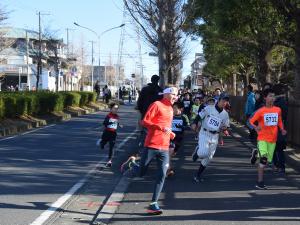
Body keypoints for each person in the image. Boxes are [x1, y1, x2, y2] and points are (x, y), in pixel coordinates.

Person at [122, 87, 178, 215]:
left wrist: (170, 134)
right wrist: (160, 127)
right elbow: (145, 121)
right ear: (166, 94)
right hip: (152, 144)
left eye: (177, 95)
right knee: (141, 173)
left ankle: (153, 203)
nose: (176, 97)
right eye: (174, 94)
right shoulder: (156, 105)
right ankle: (132, 164)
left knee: (162, 174)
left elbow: (166, 127)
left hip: (164, 147)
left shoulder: (170, 108)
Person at [249, 88, 287, 189]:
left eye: (273, 96)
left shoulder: (278, 110)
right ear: (265, 98)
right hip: (262, 139)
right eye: (270, 96)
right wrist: (256, 127)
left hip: (272, 139)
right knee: (264, 160)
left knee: (268, 161)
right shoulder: (261, 111)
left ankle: (256, 153)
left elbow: (279, 121)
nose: (272, 98)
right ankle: (260, 182)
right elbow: (251, 121)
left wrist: (282, 129)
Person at [191, 93, 230, 183]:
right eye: (223, 100)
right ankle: (197, 152)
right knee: (203, 153)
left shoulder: (225, 114)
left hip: (215, 136)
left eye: (226, 101)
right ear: (219, 99)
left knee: (209, 157)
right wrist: (194, 123)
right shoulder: (209, 108)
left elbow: (225, 126)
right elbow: (199, 116)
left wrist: (225, 130)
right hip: (205, 133)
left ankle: (198, 175)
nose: (224, 102)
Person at [167, 101, 188, 177]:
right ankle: (169, 170)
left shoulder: (184, 117)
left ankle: (169, 167)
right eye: (172, 107)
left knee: (171, 154)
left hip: (179, 139)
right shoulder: (170, 116)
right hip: (170, 138)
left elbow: (188, 127)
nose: (173, 109)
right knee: (169, 153)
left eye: (175, 108)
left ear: (181, 109)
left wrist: (181, 127)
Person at [99, 103, 123, 167]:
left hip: (113, 133)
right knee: (103, 143)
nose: (115, 110)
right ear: (111, 109)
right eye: (114, 108)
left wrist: (119, 125)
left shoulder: (117, 116)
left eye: (117, 109)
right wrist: (111, 122)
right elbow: (105, 123)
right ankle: (102, 143)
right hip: (107, 133)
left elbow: (117, 122)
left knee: (111, 147)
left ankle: (109, 161)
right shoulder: (108, 116)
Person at [272, 84, 288, 174]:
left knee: (278, 149)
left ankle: (280, 166)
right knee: (277, 149)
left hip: (278, 129)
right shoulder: (280, 101)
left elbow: (284, 115)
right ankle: (278, 165)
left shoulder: (280, 102)